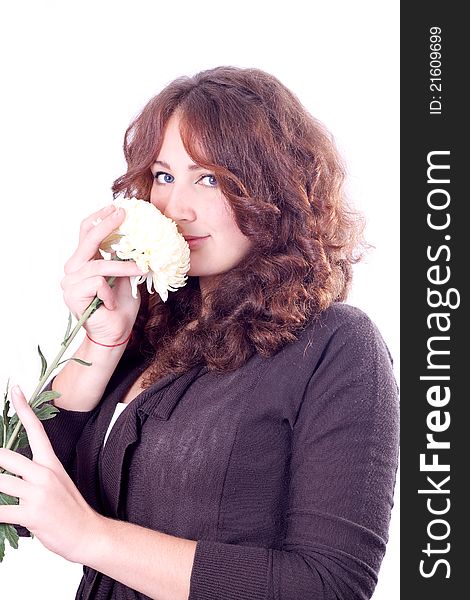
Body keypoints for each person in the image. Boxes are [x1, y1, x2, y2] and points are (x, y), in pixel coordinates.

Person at [0, 66, 399, 600]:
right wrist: (99, 343)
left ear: (276, 190)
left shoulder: (337, 346)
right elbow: (12, 500)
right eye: (164, 176)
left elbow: (329, 586)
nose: (176, 208)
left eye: (209, 178)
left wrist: (92, 538)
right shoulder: (148, 332)